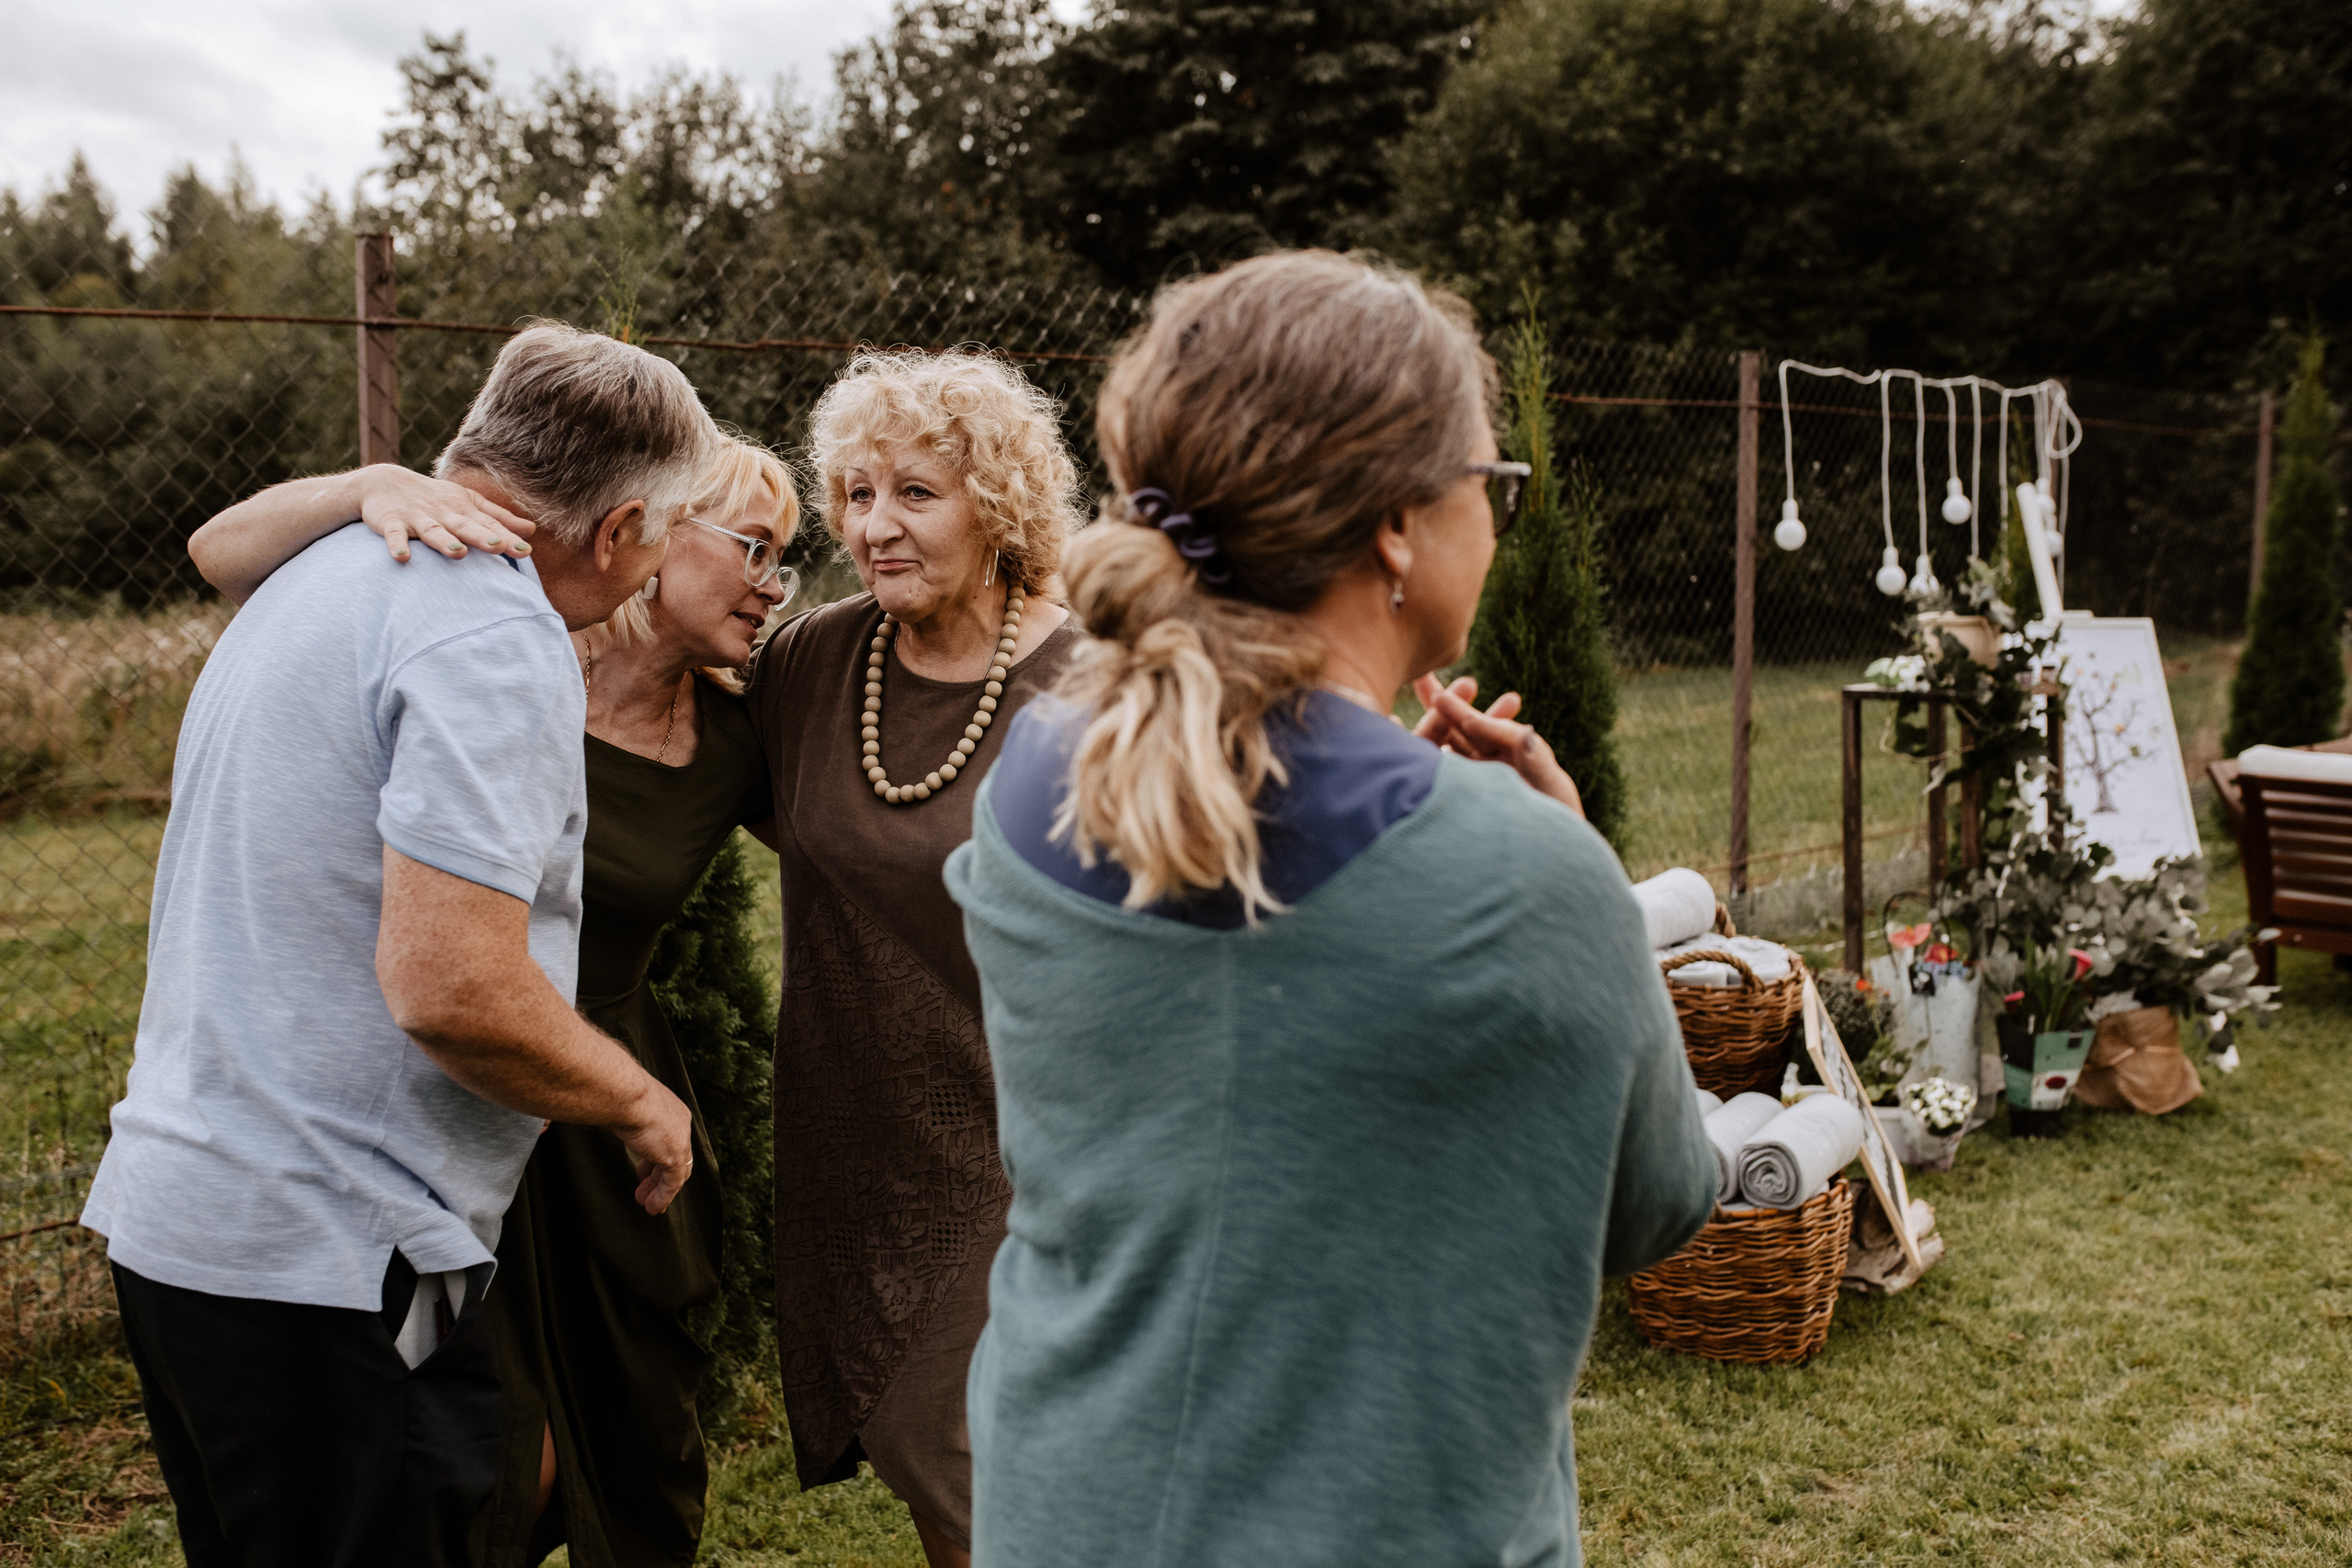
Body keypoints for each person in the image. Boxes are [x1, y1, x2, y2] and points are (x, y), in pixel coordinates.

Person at [943, 251, 1720, 1568]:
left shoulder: (1027, 790)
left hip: (1060, 1516)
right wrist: (1562, 856)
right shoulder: (1530, 882)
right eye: (1493, 482)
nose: (1500, 514)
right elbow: (1661, 1204)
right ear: (1400, 526)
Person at [80, 322, 716, 1568]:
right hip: (327, 1257)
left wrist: (367, 483)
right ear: (616, 526)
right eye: (660, 535)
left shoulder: (325, 570)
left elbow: (216, 546)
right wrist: (636, 1096)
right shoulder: (496, 631)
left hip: (189, 1221)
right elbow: (451, 982)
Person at [182, 435, 801, 1567]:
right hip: (467, 1085)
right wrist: (368, 484)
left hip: (612, 1111)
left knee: (636, 1435)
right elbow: (217, 549)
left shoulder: (736, 740)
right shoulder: (498, 651)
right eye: (754, 548)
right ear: (650, 533)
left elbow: (869, 842)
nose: (773, 584)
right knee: (489, 1455)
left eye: (785, 560)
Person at [741, 348, 1084, 1568]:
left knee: (971, 1446)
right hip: (863, 1144)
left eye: (915, 493)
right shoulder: (810, 663)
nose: (873, 527)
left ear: (996, 504)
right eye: (854, 492)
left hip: (1036, 1147)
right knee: (929, 1455)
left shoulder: (1089, 686)